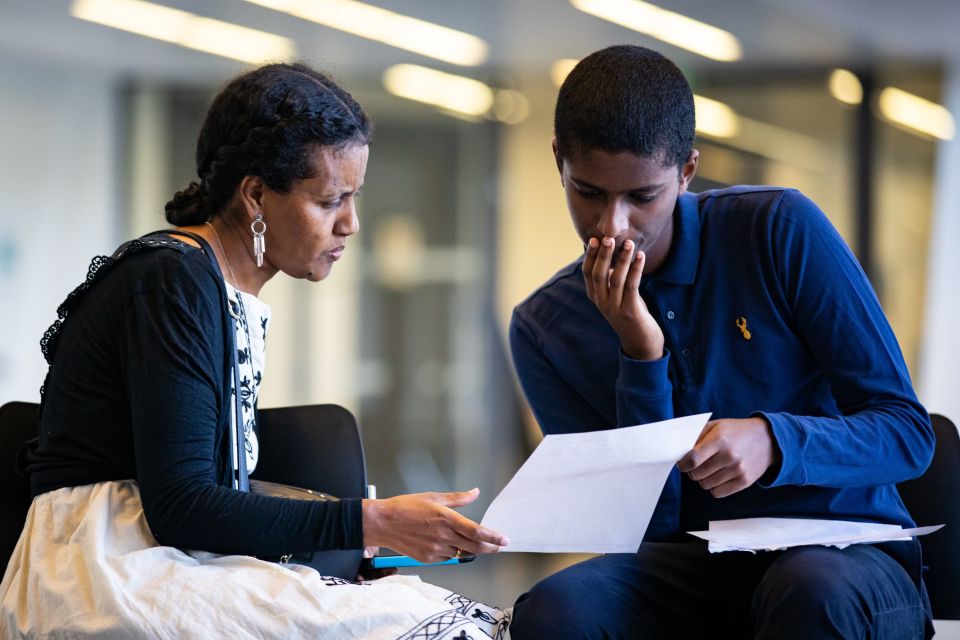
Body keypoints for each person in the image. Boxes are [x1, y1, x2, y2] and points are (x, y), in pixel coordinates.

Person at [0, 62, 510, 639]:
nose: (351, 224)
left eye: (353, 198)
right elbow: (184, 506)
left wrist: (368, 529)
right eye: (329, 201)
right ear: (256, 196)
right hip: (103, 570)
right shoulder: (173, 282)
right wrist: (374, 519)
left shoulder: (212, 284)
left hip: (159, 554)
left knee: (442, 617)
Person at [507, 45, 934, 639]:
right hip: (690, 566)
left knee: (807, 590)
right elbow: (636, 528)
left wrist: (774, 440)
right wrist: (641, 354)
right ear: (559, 161)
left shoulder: (778, 228)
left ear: (686, 171)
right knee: (559, 610)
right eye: (588, 192)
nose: (613, 225)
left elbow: (908, 434)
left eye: (642, 196)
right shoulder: (543, 326)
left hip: (845, 552)